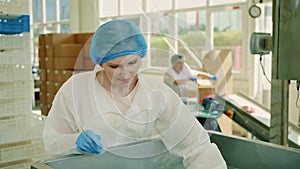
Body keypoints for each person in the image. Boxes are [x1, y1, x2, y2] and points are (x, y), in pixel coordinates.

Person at [42, 19, 227, 169]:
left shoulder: (157, 95)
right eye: (114, 66)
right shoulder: (76, 89)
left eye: (133, 62)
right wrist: (75, 142)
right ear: (100, 62)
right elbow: (52, 141)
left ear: (141, 55)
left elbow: (195, 145)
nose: (125, 74)